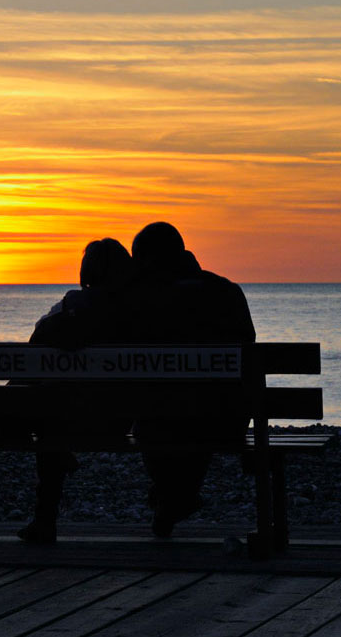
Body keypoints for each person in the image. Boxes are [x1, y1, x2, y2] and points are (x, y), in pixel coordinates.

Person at [0, 238, 135, 543]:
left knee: (34, 417)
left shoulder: (66, 310)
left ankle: (45, 519)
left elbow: (28, 363)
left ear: (86, 271)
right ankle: (57, 459)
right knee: (50, 414)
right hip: (118, 422)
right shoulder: (140, 313)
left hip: (61, 420)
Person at [125, 222, 256, 537]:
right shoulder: (226, 290)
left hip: (164, 418)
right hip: (226, 419)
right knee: (197, 406)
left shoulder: (148, 299)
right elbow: (248, 351)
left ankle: (172, 497)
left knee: (156, 412)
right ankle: (175, 498)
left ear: (150, 260)